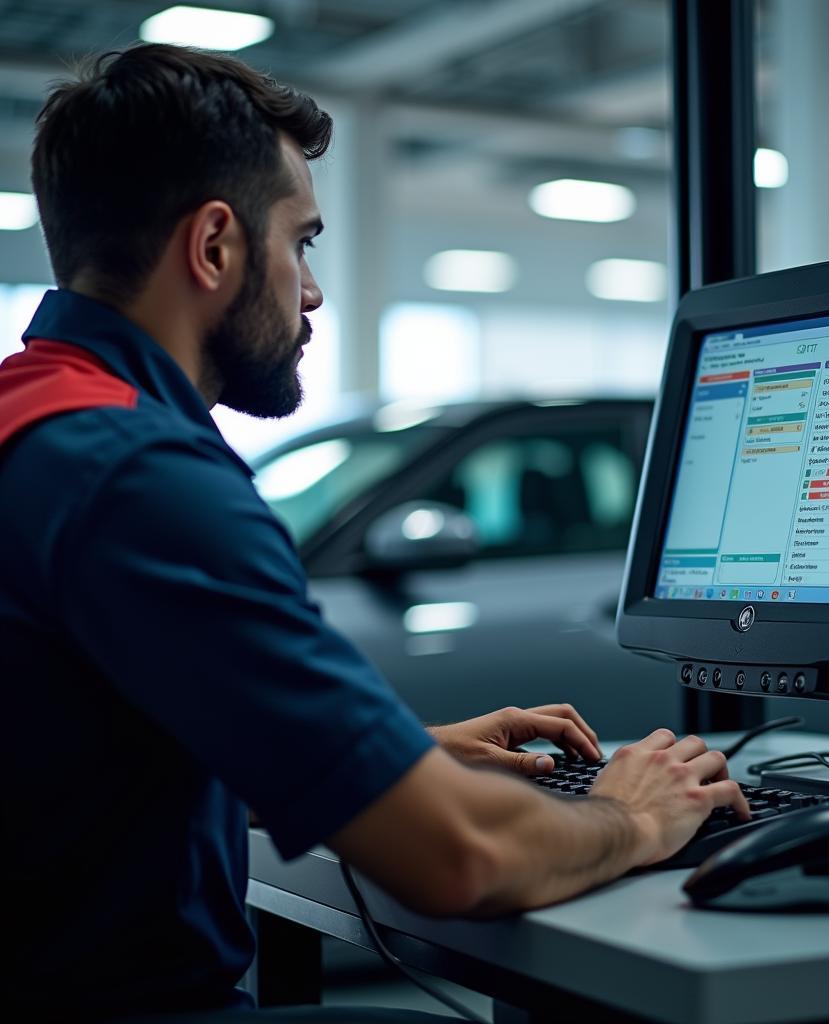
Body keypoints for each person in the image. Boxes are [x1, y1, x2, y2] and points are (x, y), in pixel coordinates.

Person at [0, 44, 749, 1021]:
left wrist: (397, 756)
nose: (310, 292)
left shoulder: (36, 420)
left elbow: (88, 761)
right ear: (215, 245)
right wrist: (630, 813)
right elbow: (461, 861)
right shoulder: (139, 477)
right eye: (300, 242)